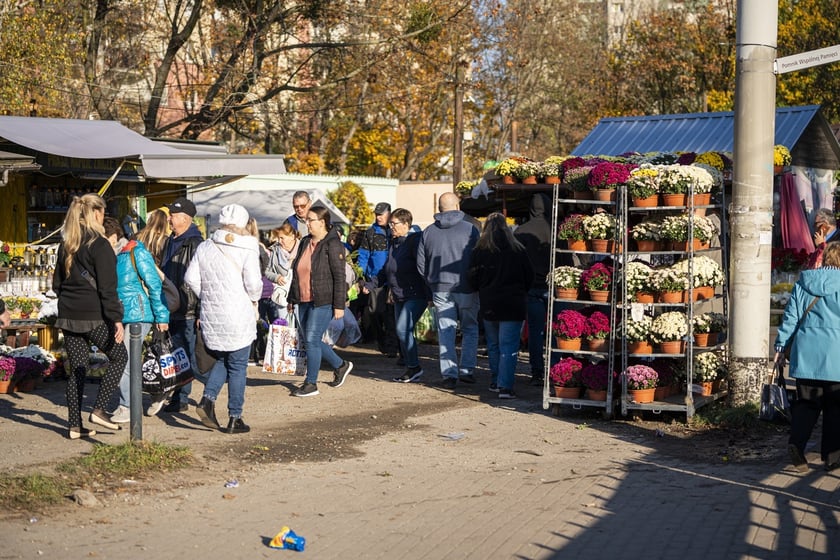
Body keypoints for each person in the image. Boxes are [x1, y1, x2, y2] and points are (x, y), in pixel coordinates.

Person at [52, 193, 128, 439]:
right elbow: (108, 288)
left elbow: (56, 285)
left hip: (67, 314)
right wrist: (116, 318)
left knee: (78, 368)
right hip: (92, 314)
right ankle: (99, 409)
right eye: (103, 212)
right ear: (96, 213)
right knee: (119, 356)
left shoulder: (68, 243)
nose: (103, 217)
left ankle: (75, 426)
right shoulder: (100, 244)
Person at [186, 204, 263, 434]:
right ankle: (234, 418)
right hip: (238, 313)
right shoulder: (248, 246)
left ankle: (208, 400)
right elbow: (254, 284)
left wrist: (209, 296)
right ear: (243, 222)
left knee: (223, 359)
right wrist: (253, 298)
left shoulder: (205, 246)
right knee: (238, 365)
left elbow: (190, 278)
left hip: (213, 314)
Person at [774, 241, 840, 472]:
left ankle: (796, 445)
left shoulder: (805, 281)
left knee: (805, 405)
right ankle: (832, 459)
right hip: (837, 356)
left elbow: (791, 317)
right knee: (835, 408)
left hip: (806, 354)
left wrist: (781, 347)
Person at [103, 218, 169, 423]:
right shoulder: (110, 256)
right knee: (127, 360)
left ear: (113, 236)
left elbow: (154, 284)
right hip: (121, 316)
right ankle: (146, 395)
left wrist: (162, 316)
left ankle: (127, 406)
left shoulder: (135, 252)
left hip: (139, 314)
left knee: (124, 358)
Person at [287, 205, 353, 397]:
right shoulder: (305, 242)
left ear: (323, 222)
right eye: (306, 220)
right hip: (303, 299)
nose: (307, 223)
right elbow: (296, 273)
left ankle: (311, 384)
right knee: (311, 340)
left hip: (323, 300)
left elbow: (340, 276)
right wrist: (292, 298)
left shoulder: (332, 244)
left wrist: (339, 304)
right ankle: (341, 365)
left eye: (310, 220)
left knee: (311, 339)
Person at [416, 192, 480, 390]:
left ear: (439, 207)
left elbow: (421, 264)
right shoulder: (471, 229)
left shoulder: (428, 232)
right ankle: (467, 370)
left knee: (446, 331)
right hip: (467, 287)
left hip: (439, 288)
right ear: (458, 206)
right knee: (470, 328)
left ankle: (449, 374)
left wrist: (431, 282)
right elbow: (479, 259)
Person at [469, 213, 534, 399]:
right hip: (513, 304)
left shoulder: (480, 250)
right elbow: (528, 276)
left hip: (490, 303)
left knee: (494, 345)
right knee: (509, 347)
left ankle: (496, 380)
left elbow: (472, 278)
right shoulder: (518, 249)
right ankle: (505, 386)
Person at [364, 208, 429, 383]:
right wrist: (371, 284)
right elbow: (386, 270)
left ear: (406, 224)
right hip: (400, 295)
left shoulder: (414, 242)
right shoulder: (394, 243)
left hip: (415, 294)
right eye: (390, 223)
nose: (391, 226)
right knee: (403, 331)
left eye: (395, 223)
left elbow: (423, 268)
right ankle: (411, 366)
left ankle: (414, 367)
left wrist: (430, 293)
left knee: (402, 329)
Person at [160, 197, 204, 413]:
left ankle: (201, 393)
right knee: (177, 354)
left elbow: (203, 280)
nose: (169, 219)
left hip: (187, 307)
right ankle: (179, 396)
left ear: (185, 219)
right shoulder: (171, 240)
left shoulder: (195, 244)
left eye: (173, 215)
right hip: (171, 307)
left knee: (188, 356)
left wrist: (200, 311)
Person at [514, 193, 552, 386]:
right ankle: (555, 371)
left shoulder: (521, 231)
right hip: (553, 287)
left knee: (535, 332)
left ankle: (537, 371)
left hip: (530, 288)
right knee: (555, 331)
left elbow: (516, 262)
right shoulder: (556, 230)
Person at [358, 202, 399, 358]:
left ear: (389, 214)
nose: (378, 217)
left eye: (381, 214)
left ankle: (391, 346)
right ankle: (381, 340)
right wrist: (360, 275)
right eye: (376, 214)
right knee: (375, 312)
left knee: (391, 315)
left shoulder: (395, 231)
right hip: (375, 279)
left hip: (393, 279)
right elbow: (363, 255)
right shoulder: (370, 233)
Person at [246, 217, 272, 364]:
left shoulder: (250, 246)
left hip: (252, 289)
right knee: (260, 322)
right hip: (261, 287)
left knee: (254, 322)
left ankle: (252, 354)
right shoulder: (258, 246)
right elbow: (266, 267)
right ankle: (259, 353)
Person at [265, 223, 301, 323]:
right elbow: (267, 271)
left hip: (300, 295)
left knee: (301, 329)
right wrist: (276, 277)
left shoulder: (303, 248)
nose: (279, 241)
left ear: (292, 237)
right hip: (282, 297)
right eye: (278, 238)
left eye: (282, 238)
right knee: (284, 328)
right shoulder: (275, 250)